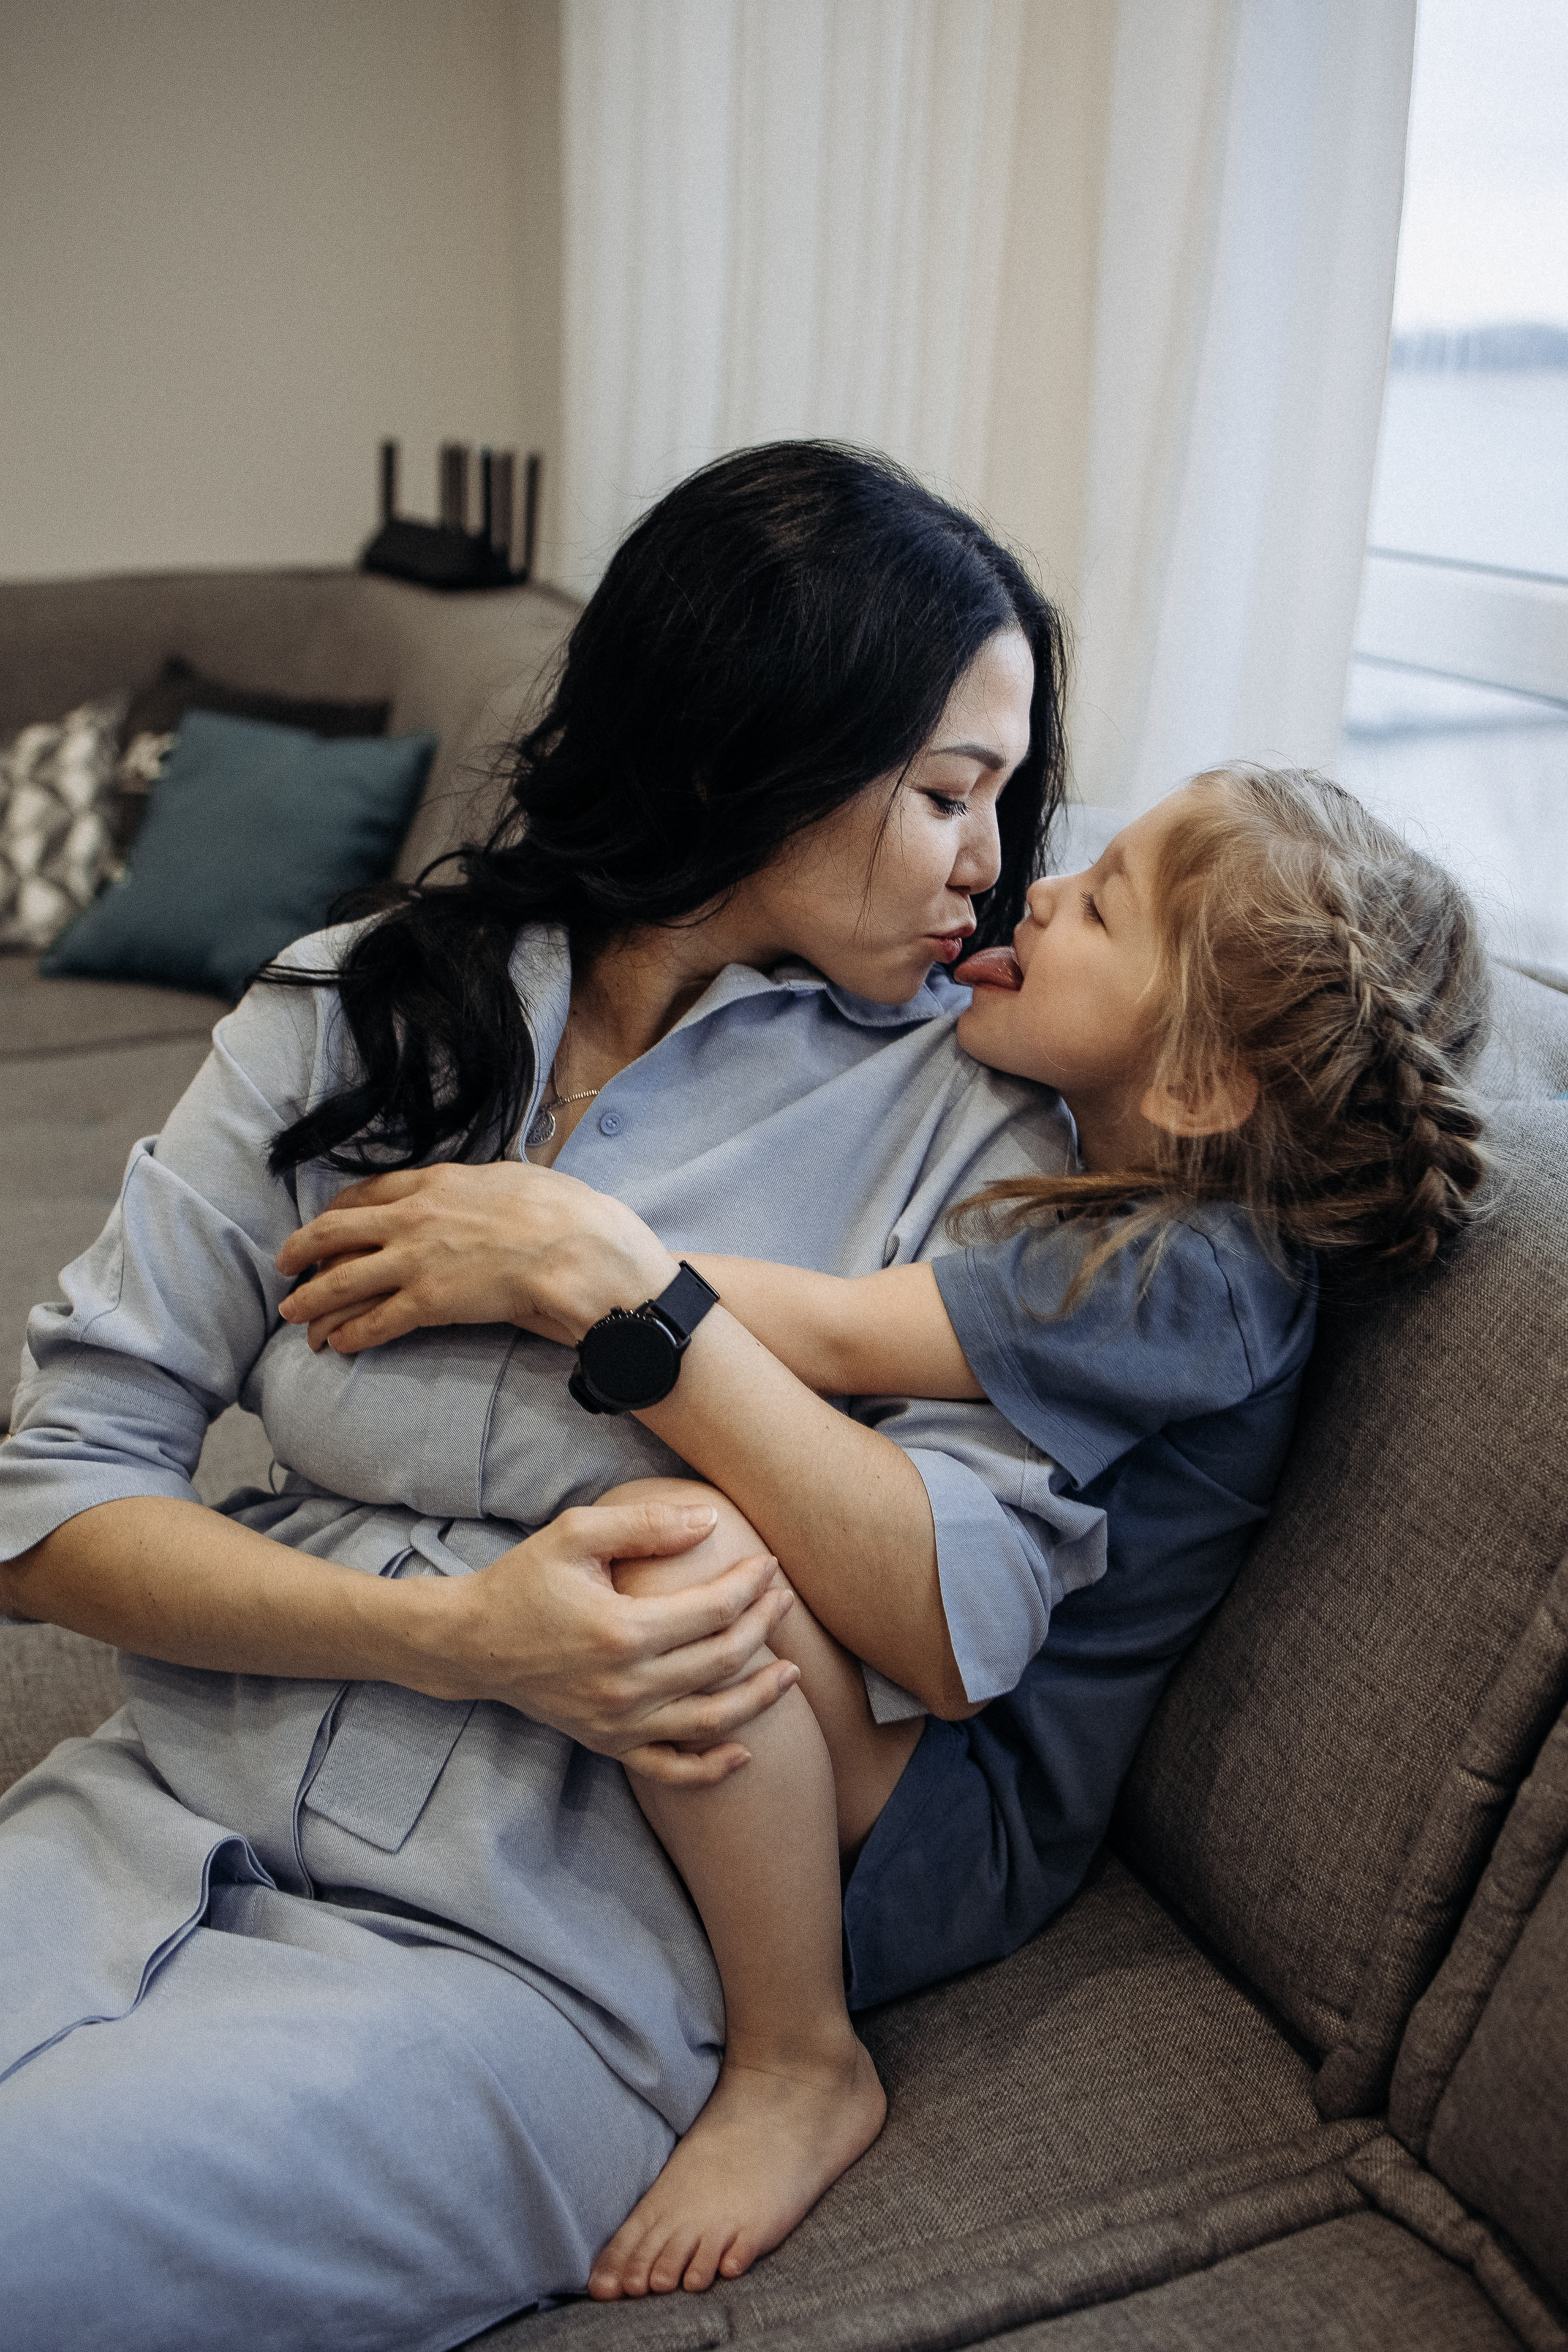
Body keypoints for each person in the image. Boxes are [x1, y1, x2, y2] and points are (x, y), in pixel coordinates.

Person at [0, 442, 1096, 2351]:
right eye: (944, 795)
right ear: (748, 745)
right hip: (141, 1816)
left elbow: (952, 1612)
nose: (987, 868)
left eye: (999, 802)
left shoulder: (978, 1130)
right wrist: (449, 1637)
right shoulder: (354, 1005)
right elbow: (53, 1499)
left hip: (521, 1963)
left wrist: (620, 1283)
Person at [287, 764, 1491, 2300]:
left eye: (1101, 901)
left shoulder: (1198, 1275)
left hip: (966, 1801)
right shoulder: (1113, 1188)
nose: (1032, 891)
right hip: (902, 1715)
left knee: (678, 1547)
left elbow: (838, 1334)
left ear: (1195, 1084)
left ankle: (802, 2062)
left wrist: (551, 1255)